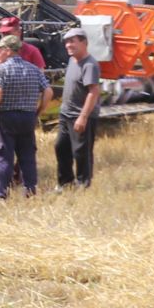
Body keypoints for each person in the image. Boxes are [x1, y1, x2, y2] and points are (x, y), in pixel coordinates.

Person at [0, 33, 50, 198]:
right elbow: (48, 91)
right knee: (27, 156)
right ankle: (30, 191)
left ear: (8, 50)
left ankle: (2, 195)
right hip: (28, 117)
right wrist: (38, 111)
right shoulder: (34, 69)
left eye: (0, 50)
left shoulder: (0, 70)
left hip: (7, 117)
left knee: (3, 157)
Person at [55, 26, 100, 187]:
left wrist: (83, 117)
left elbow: (93, 92)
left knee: (81, 152)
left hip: (80, 115)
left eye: (72, 42)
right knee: (60, 147)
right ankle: (65, 183)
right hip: (66, 113)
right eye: (66, 42)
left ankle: (83, 184)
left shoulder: (89, 65)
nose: (68, 45)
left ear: (84, 43)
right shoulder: (72, 60)